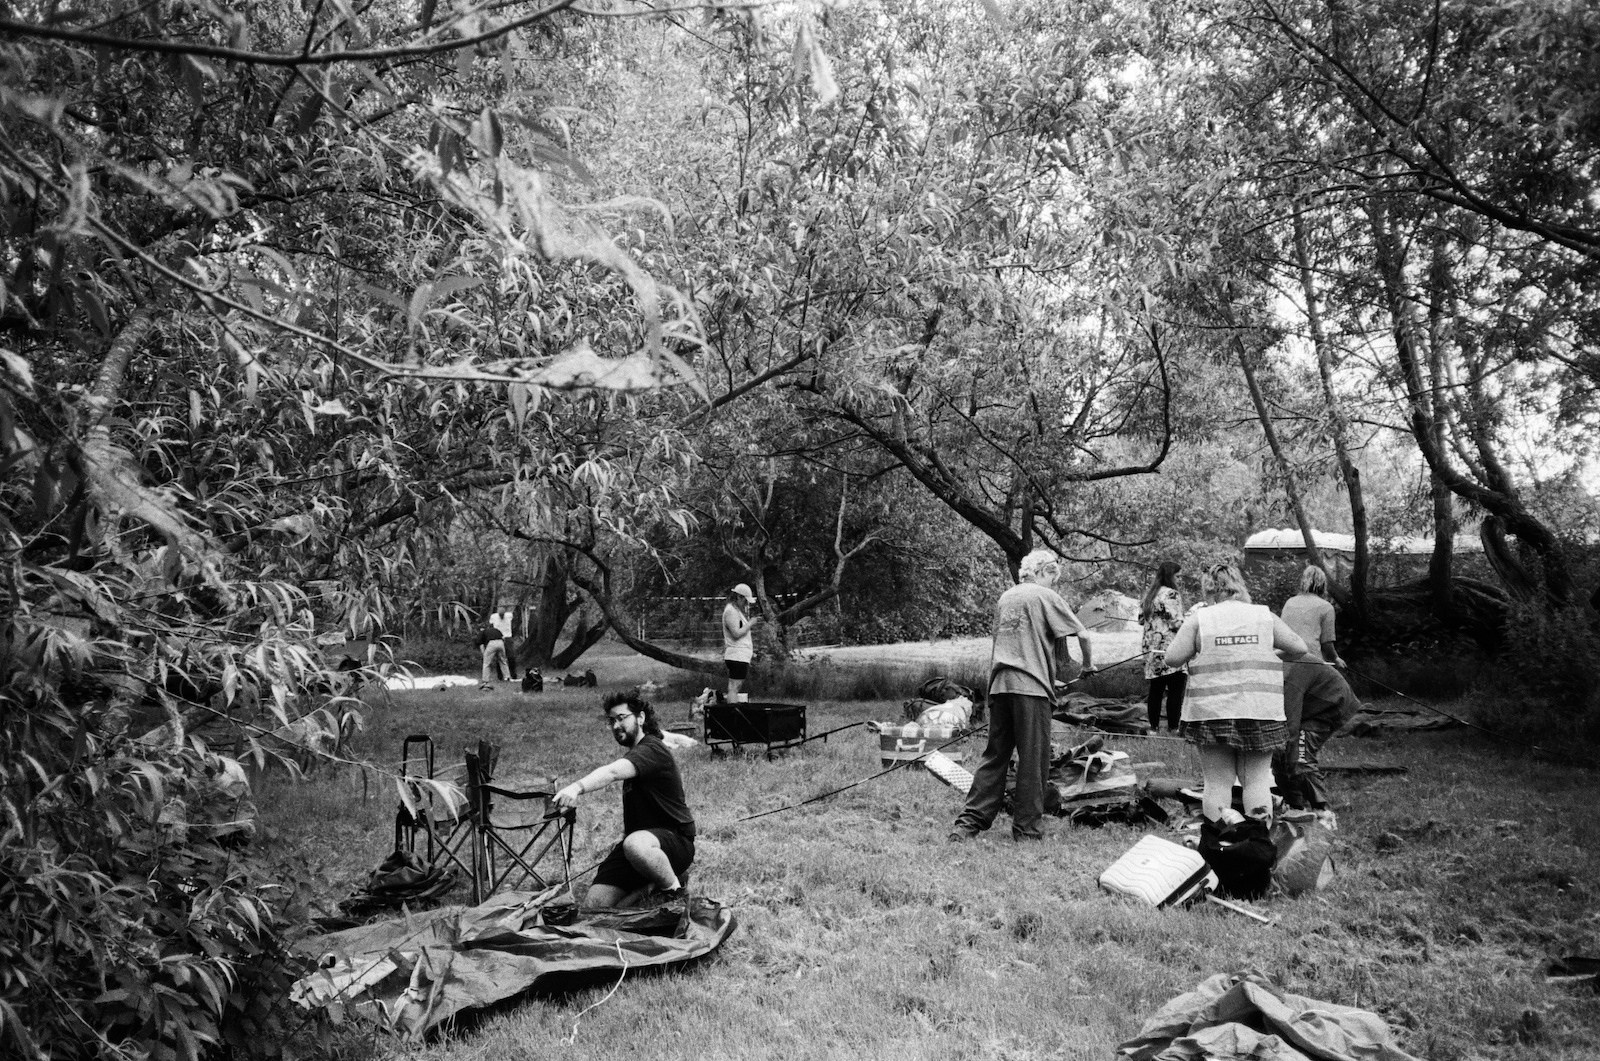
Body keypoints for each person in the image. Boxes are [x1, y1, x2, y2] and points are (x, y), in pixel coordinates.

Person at [949, 549, 1095, 843]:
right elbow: (1084, 635)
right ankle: (1027, 831)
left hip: (1001, 685)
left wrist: (1046, 675)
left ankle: (967, 824)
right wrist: (1089, 665)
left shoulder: (1006, 598)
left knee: (995, 756)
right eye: (1054, 578)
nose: (1054, 584)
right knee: (1033, 760)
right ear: (1044, 570)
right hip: (1030, 692)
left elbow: (1014, 645)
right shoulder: (1044, 595)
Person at [1164, 560, 1308, 824]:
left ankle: (1220, 842)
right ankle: (1258, 841)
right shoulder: (1264, 616)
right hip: (1260, 710)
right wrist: (1269, 652)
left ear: (1209, 590)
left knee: (1217, 781)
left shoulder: (1200, 619)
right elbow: (1299, 647)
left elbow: (1171, 659)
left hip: (1211, 712)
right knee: (1257, 781)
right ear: (1238, 586)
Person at [554, 692, 696, 907]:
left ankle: (675, 893)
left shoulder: (652, 748)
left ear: (640, 718)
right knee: (594, 906)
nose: (616, 725)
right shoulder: (641, 749)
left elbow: (612, 772)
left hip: (673, 841)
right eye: (612, 720)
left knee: (635, 845)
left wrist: (576, 787)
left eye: (622, 718)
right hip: (639, 846)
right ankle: (651, 885)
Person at [1274, 652, 1362, 830]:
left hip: (1330, 705)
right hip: (1311, 703)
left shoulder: (1288, 675)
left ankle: (1323, 812)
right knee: (1279, 760)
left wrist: (1280, 747)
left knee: (1299, 758)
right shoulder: (1273, 670)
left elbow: (1290, 725)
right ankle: (1295, 809)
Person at [1139, 561, 1187, 733]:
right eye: (1178, 576)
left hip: (1151, 649)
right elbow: (1177, 622)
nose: (1180, 580)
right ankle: (1174, 727)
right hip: (1169, 647)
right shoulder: (1172, 594)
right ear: (1169, 576)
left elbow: (1140, 619)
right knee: (1176, 688)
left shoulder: (1149, 595)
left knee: (1156, 690)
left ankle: (1153, 727)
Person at [1280, 565, 1345, 667]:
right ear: (1323, 585)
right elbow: (1326, 643)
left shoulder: (1289, 602)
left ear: (1303, 582)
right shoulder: (1326, 607)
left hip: (1286, 658)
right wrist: (1336, 659)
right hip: (1311, 659)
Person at [722, 583, 758, 700]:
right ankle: (732, 712)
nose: (746, 603)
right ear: (738, 597)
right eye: (745, 600)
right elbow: (736, 633)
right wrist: (751, 623)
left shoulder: (736, 611)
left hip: (740, 656)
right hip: (736, 655)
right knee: (734, 687)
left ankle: (733, 710)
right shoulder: (731, 611)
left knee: (735, 687)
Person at [476, 620, 509, 685]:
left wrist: (484, 654)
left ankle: (485, 679)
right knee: (503, 661)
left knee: (486, 663)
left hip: (491, 643)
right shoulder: (496, 630)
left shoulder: (482, 632)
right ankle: (507, 677)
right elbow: (503, 638)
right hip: (501, 642)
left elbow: (481, 644)